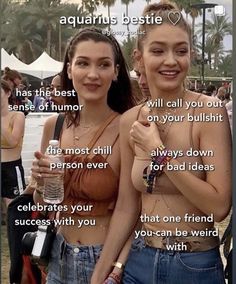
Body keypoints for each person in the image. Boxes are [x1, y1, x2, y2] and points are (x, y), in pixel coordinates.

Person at [91, 2, 232, 284]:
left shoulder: (208, 112)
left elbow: (219, 206)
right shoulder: (131, 120)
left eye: (181, 51)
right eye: (158, 50)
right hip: (140, 262)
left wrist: (159, 153)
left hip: (193, 265)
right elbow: (126, 208)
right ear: (139, 57)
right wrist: (99, 273)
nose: (171, 60)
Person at [29, 27, 134, 284]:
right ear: (69, 69)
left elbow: (132, 211)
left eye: (104, 64)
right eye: (83, 63)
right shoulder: (53, 126)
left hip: (102, 261)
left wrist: (112, 269)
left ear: (116, 72)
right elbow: (42, 204)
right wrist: (41, 185)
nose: (92, 74)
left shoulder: (128, 129)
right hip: (57, 258)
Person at [1, 79, 26, 206]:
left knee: (13, 209)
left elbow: (13, 142)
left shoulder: (17, 115)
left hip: (11, 168)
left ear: (8, 93)